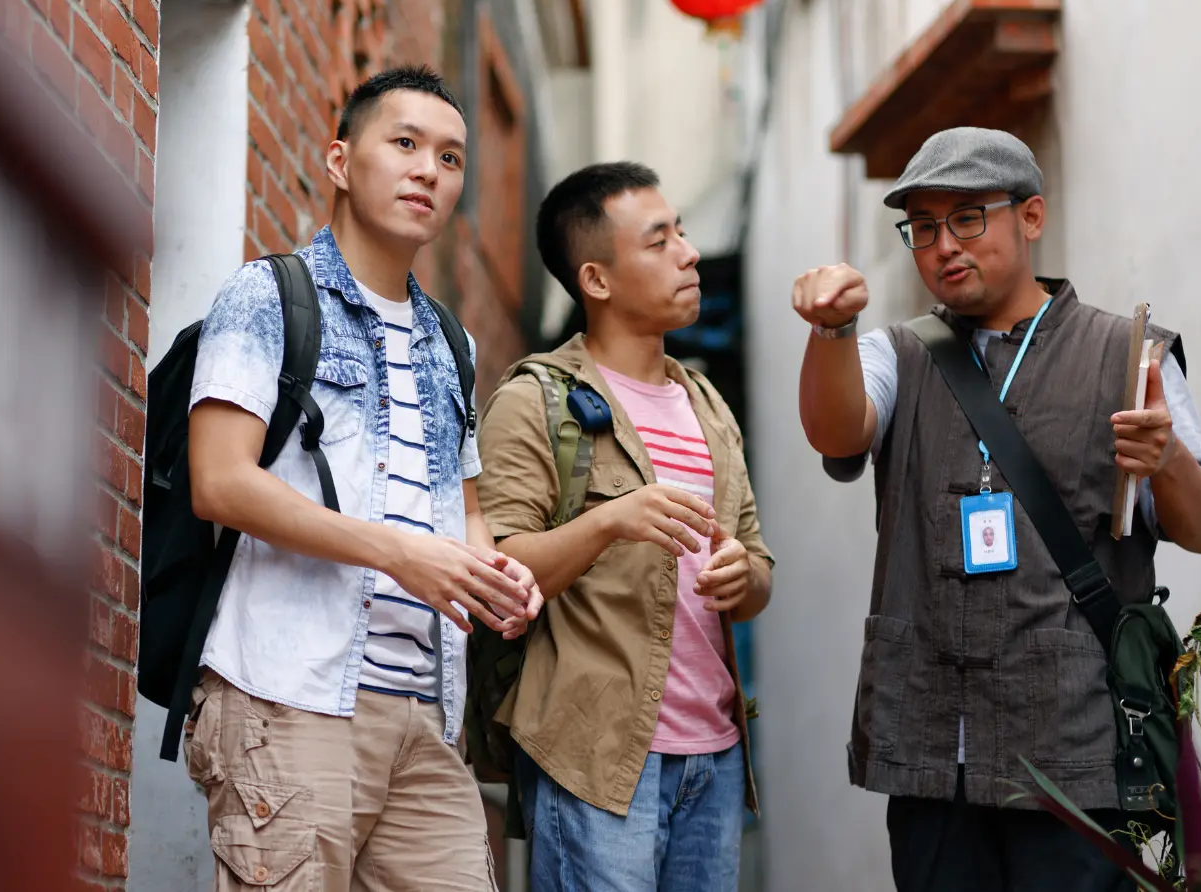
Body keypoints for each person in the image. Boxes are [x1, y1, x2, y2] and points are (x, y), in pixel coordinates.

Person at [791, 127, 1201, 891]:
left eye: (968, 218)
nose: (942, 246)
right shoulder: (896, 352)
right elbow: (836, 428)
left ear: (1031, 217)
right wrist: (832, 329)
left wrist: (1166, 459)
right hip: (931, 750)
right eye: (923, 227)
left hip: (1075, 750)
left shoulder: (1129, 355)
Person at [183, 64, 539, 892]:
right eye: (406, 144)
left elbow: (467, 512)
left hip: (424, 716)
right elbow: (220, 481)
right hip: (290, 700)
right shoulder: (268, 296)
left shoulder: (453, 343)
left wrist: (498, 573)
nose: (428, 170)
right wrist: (397, 553)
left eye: (451, 159)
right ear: (341, 162)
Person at [475, 162, 775, 891]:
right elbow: (501, 575)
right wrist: (611, 521)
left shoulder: (706, 403)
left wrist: (746, 575)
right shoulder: (534, 400)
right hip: (596, 755)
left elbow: (758, 568)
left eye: (683, 233)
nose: (689, 253)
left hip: (716, 754)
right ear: (597, 280)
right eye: (660, 240)